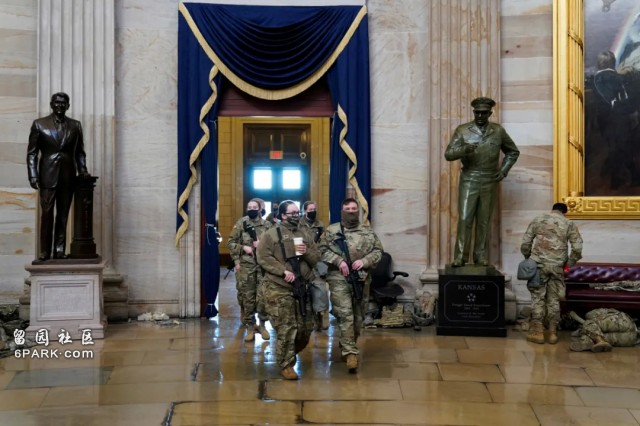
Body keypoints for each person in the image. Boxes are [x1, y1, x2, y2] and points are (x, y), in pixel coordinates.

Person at [444, 97, 520, 267]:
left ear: (490, 113)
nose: (480, 116)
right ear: (474, 112)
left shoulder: (498, 131)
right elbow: (448, 154)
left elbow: (513, 152)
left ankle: (480, 255)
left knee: (484, 219)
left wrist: (504, 170)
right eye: (477, 112)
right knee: (465, 218)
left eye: (484, 113)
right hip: (469, 177)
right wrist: (464, 149)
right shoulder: (463, 130)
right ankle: (460, 256)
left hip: (489, 179)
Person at [257, 200, 320, 380]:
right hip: (279, 287)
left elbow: (317, 258)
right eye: (292, 213)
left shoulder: (305, 233)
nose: (296, 216)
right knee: (286, 328)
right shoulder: (270, 234)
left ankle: (289, 352)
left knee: (305, 329)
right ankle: (286, 364)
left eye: (297, 212)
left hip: (303, 287)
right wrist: (282, 271)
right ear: (283, 215)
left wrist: (306, 251)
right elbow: (263, 256)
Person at [319, 198, 383, 373]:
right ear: (342, 211)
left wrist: (365, 261)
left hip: (361, 279)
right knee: (345, 314)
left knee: (358, 316)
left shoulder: (367, 231)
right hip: (338, 277)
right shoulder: (332, 231)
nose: (351, 211)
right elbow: (321, 250)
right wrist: (338, 261)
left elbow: (378, 251)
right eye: (347, 209)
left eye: (354, 208)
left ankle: (348, 343)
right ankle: (350, 353)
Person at [27, 92, 89, 261]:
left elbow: (80, 152)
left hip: (68, 177)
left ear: (68, 106)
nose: (60, 105)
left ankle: (59, 250)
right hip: (47, 176)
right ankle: (44, 252)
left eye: (63, 103)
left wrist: (82, 170)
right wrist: (33, 175)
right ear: (51, 104)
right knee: (47, 214)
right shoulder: (39, 124)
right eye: (57, 102)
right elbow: (32, 153)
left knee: (63, 215)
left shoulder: (75, 125)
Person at [520, 202, 583, 345]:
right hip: (557, 267)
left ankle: (538, 332)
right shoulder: (569, 223)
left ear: (552, 210)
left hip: (538, 266)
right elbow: (577, 249)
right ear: (564, 212)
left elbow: (525, 243)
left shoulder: (538, 219)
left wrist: (528, 258)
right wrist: (568, 265)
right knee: (554, 299)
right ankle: (553, 332)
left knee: (538, 297)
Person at [227, 198, 272, 342]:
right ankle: (250, 327)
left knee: (263, 297)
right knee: (248, 298)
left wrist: (261, 245)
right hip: (247, 267)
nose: (251, 209)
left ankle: (263, 325)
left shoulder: (267, 225)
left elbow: (275, 245)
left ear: (260, 209)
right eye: (249, 207)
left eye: (254, 207)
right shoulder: (242, 223)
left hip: (263, 267)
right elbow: (230, 243)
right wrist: (243, 248)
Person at [299, 200, 330, 331]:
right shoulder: (299, 224)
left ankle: (321, 316)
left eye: (314, 209)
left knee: (320, 289)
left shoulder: (320, 225)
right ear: (305, 211)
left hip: (318, 260)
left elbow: (325, 241)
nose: (313, 212)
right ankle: (308, 318)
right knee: (305, 290)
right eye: (310, 210)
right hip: (303, 259)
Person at [569, 308, 638, 353]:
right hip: (632, 339)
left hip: (622, 321)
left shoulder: (591, 313)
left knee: (588, 323)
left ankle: (595, 340)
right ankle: (593, 341)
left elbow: (590, 320)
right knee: (600, 335)